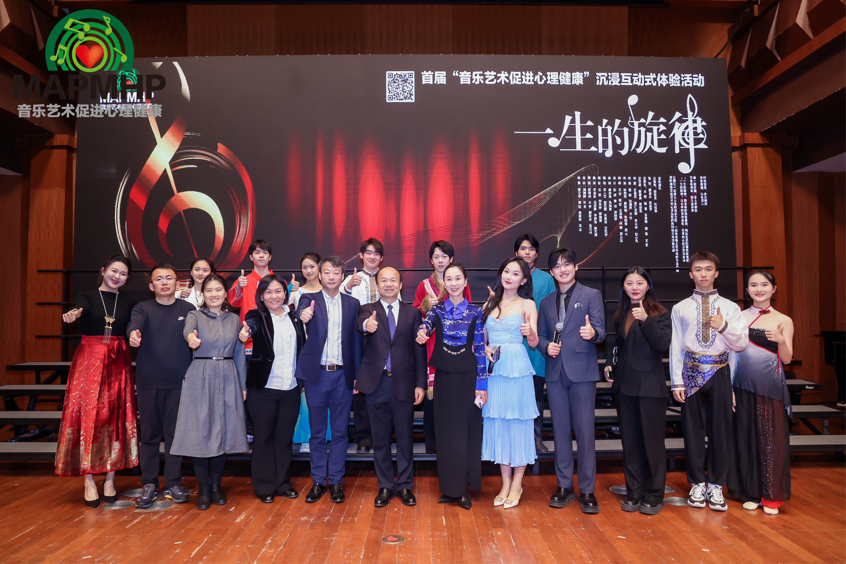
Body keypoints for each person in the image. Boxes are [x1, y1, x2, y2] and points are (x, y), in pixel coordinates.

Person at [56, 255, 138, 507]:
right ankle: (89, 479)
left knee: (115, 417)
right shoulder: (87, 296)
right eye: (114, 271)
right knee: (87, 416)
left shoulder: (129, 300)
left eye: (123, 273)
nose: (117, 276)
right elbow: (80, 306)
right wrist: (75, 312)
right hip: (89, 360)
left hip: (118, 361)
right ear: (103, 270)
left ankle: (110, 478)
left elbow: (136, 323)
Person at [670, 251, 748, 512]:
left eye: (708, 269)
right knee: (692, 431)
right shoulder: (680, 308)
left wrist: (723, 327)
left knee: (721, 431)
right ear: (690, 274)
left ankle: (716, 485)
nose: (703, 274)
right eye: (698, 269)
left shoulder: (731, 308)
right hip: (690, 372)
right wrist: (677, 381)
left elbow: (741, 345)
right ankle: (696, 483)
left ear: (716, 273)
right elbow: (675, 346)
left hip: (720, 371)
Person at [171, 274, 248, 510]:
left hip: (228, 375)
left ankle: (216, 486)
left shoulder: (234, 319)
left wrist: (243, 385)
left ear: (225, 293)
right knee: (200, 432)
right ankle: (203, 489)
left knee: (223, 432)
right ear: (202, 294)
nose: (214, 294)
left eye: (218, 290)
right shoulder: (195, 315)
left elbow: (239, 354)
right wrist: (191, 338)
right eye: (209, 290)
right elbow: (188, 331)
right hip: (200, 376)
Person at [537, 248, 606, 514]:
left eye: (567, 264)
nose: (562, 269)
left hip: (582, 373)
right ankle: (564, 486)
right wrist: (546, 346)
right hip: (555, 372)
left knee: (585, 432)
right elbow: (542, 335)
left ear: (576, 267)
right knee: (560, 431)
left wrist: (593, 333)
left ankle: (587, 490)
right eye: (557, 266)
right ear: (551, 272)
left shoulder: (591, 294)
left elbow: (601, 331)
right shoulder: (546, 302)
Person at [416, 263, 486, 511]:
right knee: (446, 435)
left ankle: (464, 489)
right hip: (444, 378)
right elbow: (426, 325)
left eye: (458, 278)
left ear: (465, 282)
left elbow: (480, 350)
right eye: (449, 279)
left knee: (466, 435)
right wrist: (422, 332)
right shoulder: (436, 310)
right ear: (444, 283)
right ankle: (448, 488)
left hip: (468, 379)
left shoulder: (476, 312)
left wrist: (482, 384)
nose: (454, 283)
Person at [127, 263, 196, 509]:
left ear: (177, 283)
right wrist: (134, 333)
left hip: (179, 383)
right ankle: (149, 483)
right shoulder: (142, 308)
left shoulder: (188, 309)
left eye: (169, 278)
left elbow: (193, 333)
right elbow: (135, 324)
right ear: (151, 285)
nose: (164, 282)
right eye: (159, 279)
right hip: (149, 382)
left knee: (175, 436)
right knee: (149, 436)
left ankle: (174, 483)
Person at [603, 267, 671, 515]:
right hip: (624, 386)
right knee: (630, 443)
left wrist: (645, 320)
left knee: (653, 444)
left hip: (650, 388)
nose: (634, 287)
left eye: (639, 283)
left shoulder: (659, 313)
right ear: (624, 287)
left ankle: (654, 495)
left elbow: (662, 344)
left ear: (648, 286)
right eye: (629, 283)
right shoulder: (622, 312)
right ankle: (634, 492)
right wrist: (610, 363)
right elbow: (619, 346)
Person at [356, 267, 426, 507]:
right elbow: (361, 324)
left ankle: (405, 486)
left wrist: (421, 383)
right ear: (377, 285)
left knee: (405, 438)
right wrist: (367, 325)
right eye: (383, 280)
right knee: (380, 439)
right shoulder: (368, 310)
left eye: (393, 280)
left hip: (405, 384)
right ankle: (385, 486)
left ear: (400, 284)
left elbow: (419, 350)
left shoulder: (413, 313)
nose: (388, 284)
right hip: (376, 385)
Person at [296, 256, 363, 504]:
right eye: (327, 272)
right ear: (320, 275)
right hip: (317, 376)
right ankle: (317, 481)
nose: (331, 277)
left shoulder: (353, 303)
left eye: (336, 273)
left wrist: (356, 376)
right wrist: (303, 314)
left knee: (340, 433)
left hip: (343, 375)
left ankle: (335, 481)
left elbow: (357, 343)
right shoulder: (309, 299)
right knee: (317, 432)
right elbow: (301, 310)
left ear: (342, 276)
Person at [728, 270, 794, 515]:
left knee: (770, 440)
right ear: (747, 290)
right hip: (742, 385)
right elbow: (731, 355)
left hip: (770, 387)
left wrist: (780, 340)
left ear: (773, 289)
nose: (759, 289)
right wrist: (729, 388)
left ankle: (771, 496)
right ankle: (751, 493)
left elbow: (787, 359)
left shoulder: (784, 320)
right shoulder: (738, 317)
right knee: (746, 437)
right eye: (753, 285)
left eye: (764, 285)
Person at [238, 275, 307, 503]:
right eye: (268, 292)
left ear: (285, 294)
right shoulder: (257, 316)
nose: (273, 296)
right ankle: (265, 486)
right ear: (261, 295)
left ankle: (283, 483)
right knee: (263, 439)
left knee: (284, 439)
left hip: (291, 389)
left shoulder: (294, 318)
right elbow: (251, 324)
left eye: (278, 291)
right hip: (263, 389)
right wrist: (246, 331)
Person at [481, 258, 539, 509]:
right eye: (506, 271)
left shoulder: (528, 304)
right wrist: (484, 348)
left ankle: (517, 483)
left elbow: (534, 342)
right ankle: (505, 483)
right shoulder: (489, 303)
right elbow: (481, 339)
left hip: (517, 367)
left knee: (518, 423)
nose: (509, 276)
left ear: (524, 280)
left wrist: (530, 333)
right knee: (499, 423)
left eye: (516, 273)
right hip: (494, 370)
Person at [412, 240, 473, 454]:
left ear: (451, 259)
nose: (440, 260)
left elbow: (469, 312)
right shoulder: (423, 285)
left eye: (444, 256)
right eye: (436, 256)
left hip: (456, 343)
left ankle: (451, 440)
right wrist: (425, 306)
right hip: (431, 342)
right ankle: (431, 441)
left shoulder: (460, 283)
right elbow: (414, 314)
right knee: (432, 396)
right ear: (431, 260)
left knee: (453, 395)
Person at [341, 238, 390, 453]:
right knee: (360, 386)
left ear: (381, 257)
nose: (372, 256)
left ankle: (384, 434)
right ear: (361, 255)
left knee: (383, 385)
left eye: (376, 253)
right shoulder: (350, 279)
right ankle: (364, 436)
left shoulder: (388, 278)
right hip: (357, 337)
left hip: (383, 338)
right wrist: (348, 287)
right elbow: (338, 303)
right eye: (368, 252)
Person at [515, 233, 556, 453]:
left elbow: (550, 312)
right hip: (514, 343)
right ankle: (516, 438)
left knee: (536, 394)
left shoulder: (546, 279)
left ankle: (536, 437)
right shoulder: (509, 275)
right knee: (515, 395)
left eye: (531, 249)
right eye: (523, 248)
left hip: (536, 345)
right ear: (516, 252)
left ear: (537, 254)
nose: (527, 252)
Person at [289, 252, 325, 453]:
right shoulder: (297, 292)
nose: (309, 270)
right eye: (305, 267)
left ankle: (325, 436)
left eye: (312, 266)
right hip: (305, 347)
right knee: (307, 393)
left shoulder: (329, 290)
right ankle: (306, 438)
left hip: (327, 348)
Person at [228, 239, 274, 325]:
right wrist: (238, 287)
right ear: (251, 257)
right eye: (257, 252)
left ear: (270, 257)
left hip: (274, 326)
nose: (261, 256)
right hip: (249, 328)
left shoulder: (278, 282)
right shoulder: (243, 281)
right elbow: (233, 302)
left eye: (265, 252)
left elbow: (285, 306)